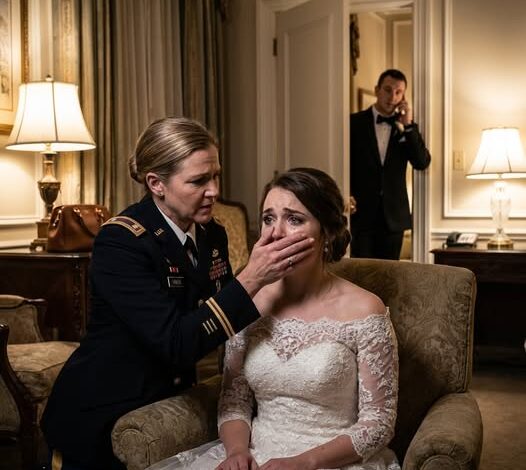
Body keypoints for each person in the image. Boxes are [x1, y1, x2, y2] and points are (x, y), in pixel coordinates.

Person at [40, 117, 315, 470]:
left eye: (215, 176)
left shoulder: (211, 234)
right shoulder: (121, 242)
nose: (214, 191)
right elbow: (175, 342)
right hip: (100, 413)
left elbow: (223, 318)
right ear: (156, 183)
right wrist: (251, 278)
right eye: (198, 181)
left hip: (166, 403)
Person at [155, 167, 400, 470]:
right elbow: (234, 400)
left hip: (332, 462)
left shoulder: (364, 309)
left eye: (294, 219)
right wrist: (236, 452)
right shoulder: (248, 304)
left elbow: (379, 424)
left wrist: (303, 463)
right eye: (269, 218)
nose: (275, 233)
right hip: (254, 458)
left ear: (326, 232)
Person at [350, 69, 431, 260]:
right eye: (387, 90)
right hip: (361, 216)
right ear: (377, 90)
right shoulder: (353, 123)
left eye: (398, 92)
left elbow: (421, 162)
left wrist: (408, 125)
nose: (392, 97)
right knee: (361, 273)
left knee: (390, 274)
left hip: (394, 218)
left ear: (403, 97)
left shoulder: (407, 128)